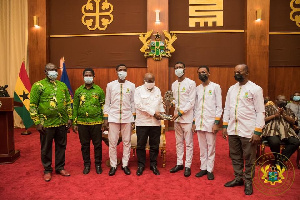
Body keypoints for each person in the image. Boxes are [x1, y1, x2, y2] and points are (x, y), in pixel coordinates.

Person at [222, 64, 264, 195]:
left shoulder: (255, 89)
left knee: (249, 157)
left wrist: (257, 131)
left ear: (247, 73)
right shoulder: (231, 89)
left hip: (248, 130)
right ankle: (238, 178)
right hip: (233, 129)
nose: (237, 74)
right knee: (235, 156)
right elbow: (227, 108)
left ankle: (249, 181)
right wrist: (225, 125)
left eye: (239, 72)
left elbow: (260, 112)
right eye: (235, 72)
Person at [29, 63, 72, 182]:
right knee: (46, 147)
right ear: (45, 72)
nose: (53, 72)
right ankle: (47, 169)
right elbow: (32, 105)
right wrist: (37, 122)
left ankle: (60, 167)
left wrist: (70, 117)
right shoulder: (38, 86)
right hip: (45, 124)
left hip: (61, 122)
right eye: (50, 70)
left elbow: (68, 102)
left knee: (61, 146)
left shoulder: (62, 85)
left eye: (54, 70)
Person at [103, 64, 135, 176]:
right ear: (116, 71)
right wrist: (106, 118)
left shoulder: (131, 85)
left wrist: (133, 119)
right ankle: (113, 165)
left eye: (124, 70)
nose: (122, 72)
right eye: (120, 70)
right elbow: (107, 103)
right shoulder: (110, 85)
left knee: (127, 142)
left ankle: (125, 164)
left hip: (127, 117)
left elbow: (133, 103)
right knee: (112, 142)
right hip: (113, 117)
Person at [72, 68, 105, 175]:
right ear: (83, 77)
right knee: (84, 145)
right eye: (86, 75)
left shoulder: (99, 90)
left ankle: (98, 164)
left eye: (90, 75)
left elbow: (103, 106)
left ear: (94, 77)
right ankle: (87, 164)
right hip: (82, 123)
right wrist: (74, 122)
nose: (88, 77)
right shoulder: (78, 91)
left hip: (96, 122)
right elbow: (75, 107)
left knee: (98, 145)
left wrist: (104, 121)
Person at [192, 66, 222, 180]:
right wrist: (194, 122)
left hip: (211, 121)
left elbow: (219, 106)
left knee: (211, 147)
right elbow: (195, 107)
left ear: (209, 73)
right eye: (199, 73)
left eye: (204, 72)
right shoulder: (197, 88)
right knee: (202, 147)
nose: (201, 74)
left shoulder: (215, 87)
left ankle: (210, 169)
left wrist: (216, 122)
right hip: (199, 121)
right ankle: (203, 168)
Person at [134, 73, 165, 176]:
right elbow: (138, 105)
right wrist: (153, 113)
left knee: (154, 145)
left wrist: (162, 112)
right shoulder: (138, 90)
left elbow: (160, 103)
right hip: (142, 123)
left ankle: (153, 165)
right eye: (148, 81)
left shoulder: (158, 90)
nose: (150, 83)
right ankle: (141, 165)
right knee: (141, 145)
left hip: (155, 123)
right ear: (144, 80)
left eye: (152, 81)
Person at [170, 62, 196, 177]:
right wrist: (171, 103)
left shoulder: (191, 83)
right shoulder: (174, 84)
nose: (178, 69)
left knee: (189, 143)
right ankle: (179, 163)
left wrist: (181, 112)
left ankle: (188, 166)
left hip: (187, 118)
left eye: (180, 67)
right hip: (176, 118)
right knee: (178, 142)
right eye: (176, 68)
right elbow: (175, 100)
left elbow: (191, 102)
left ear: (184, 69)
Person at [262, 95, 300, 165]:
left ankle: (280, 160)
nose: (284, 101)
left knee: (296, 142)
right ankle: (278, 158)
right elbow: (262, 120)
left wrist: (284, 115)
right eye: (282, 100)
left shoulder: (288, 110)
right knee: (274, 142)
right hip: (272, 130)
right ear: (276, 100)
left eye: (285, 100)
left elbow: (294, 122)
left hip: (287, 131)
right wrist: (274, 116)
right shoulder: (268, 108)